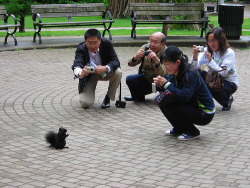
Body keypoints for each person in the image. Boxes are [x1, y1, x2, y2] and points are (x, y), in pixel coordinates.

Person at [153, 46, 215, 141]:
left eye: (167, 64)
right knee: (162, 100)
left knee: (173, 105)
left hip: (205, 112)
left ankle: (192, 132)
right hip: (191, 104)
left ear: (178, 62)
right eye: (164, 65)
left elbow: (185, 96)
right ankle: (179, 128)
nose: (165, 67)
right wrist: (160, 86)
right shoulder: (174, 72)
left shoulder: (190, 74)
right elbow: (171, 90)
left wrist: (166, 84)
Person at [72, 28, 121, 109]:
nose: (92, 46)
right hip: (89, 75)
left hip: (104, 71)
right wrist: (81, 72)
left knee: (118, 72)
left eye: (95, 43)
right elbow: (77, 63)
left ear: (100, 41)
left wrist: (105, 68)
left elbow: (115, 61)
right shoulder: (81, 48)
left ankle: (108, 97)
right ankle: (89, 96)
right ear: (85, 41)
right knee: (85, 103)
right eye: (89, 43)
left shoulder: (106, 44)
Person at [192, 27, 238, 111]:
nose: (211, 44)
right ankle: (199, 101)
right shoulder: (207, 51)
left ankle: (227, 99)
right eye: (209, 41)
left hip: (229, 82)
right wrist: (195, 57)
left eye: (213, 41)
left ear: (220, 40)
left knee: (210, 85)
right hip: (213, 78)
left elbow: (223, 73)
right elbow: (195, 68)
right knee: (196, 75)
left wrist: (210, 60)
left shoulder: (229, 53)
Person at [124, 32, 167, 101]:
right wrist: (136, 57)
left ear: (162, 43)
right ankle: (138, 96)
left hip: (161, 81)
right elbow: (130, 64)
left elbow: (163, 74)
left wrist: (156, 60)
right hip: (147, 79)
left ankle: (164, 96)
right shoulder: (145, 47)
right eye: (151, 41)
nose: (152, 44)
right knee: (130, 79)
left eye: (155, 42)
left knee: (166, 95)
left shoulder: (167, 53)